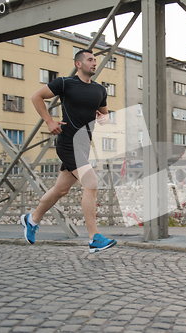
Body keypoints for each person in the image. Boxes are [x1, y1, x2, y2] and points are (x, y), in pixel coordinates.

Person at [20, 49, 117, 253]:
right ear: (78, 64)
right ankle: (94, 238)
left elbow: (105, 117)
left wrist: (103, 119)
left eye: (95, 60)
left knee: (60, 190)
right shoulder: (64, 83)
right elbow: (36, 96)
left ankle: (32, 219)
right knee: (91, 182)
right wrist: (49, 121)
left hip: (83, 146)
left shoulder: (100, 90)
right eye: (90, 60)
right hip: (68, 142)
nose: (94, 63)